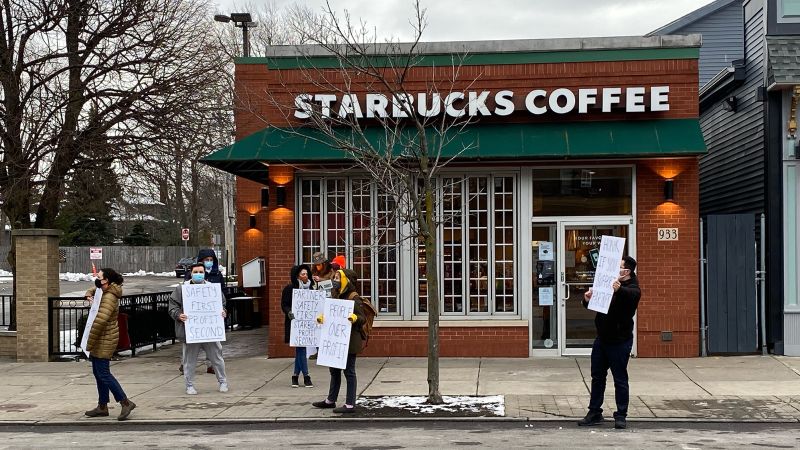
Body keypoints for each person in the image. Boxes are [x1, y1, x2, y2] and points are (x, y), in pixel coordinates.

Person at [578, 256, 641, 430]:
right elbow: (595, 305)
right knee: (597, 377)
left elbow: (631, 297)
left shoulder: (632, 289)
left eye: (619, 267)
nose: (615, 270)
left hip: (620, 341)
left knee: (620, 378)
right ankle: (594, 412)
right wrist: (587, 299)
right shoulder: (609, 284)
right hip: (602, 339)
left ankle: (621, 415)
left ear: (626, 272)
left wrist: (619, 290)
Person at [83, 268, 137, 421]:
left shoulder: (109, 298)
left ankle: (125, 402)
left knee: (104, 373)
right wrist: (89, 293)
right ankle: (102, 406)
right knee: (98, 373)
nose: (97, 279)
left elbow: (100, 321)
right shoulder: (104, 290)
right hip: (102, 338)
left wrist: (89, 341)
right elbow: (94, 288)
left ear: (107, 280)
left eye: (99, 277)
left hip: (104, 338)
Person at [312, 268, 366, 414]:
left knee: (349, 372)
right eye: (334, 277)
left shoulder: (353, 297)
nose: (335, 280)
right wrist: (323, 318)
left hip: (349, 342)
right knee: (334, 371)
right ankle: (331, 399)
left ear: (345, 280)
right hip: (336, 340)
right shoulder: (335, 295)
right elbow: (330, 313)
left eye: (337, 278)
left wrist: (355, 318)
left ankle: (350, 404)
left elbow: (362, 318)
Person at [169, 263, 229, 395]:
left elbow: (222, 304)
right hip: (191, 332)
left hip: (210, 331)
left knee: (217, 358)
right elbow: (173, 306)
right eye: (195, 272)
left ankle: (223, 381)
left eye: (200, 272)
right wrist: (178, 315)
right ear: (191, 273)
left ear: (204, 273)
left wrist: (223, 311)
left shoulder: (212, 288)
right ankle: (189, 385)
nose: (198, 274)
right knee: (189, 360)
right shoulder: (181, 289)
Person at [179, 248, 223, 375]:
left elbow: (222, 294)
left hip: (210, 314)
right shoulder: (192, 275)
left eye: (211, 260)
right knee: (189, 343)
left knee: (213, 342)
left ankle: (212, 365)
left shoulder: (217, 275)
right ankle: (185, 363)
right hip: (194, 313)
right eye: (206, 260)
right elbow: (186, 293)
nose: (209, 262)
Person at [281, 264, 314, 388]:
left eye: (306, 274)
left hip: (307, 323)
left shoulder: (311, 288)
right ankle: (306, 376)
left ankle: (295, 376)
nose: (305, 276)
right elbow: (284, 304)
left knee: (300, 349)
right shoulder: (290, 289)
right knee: (301, 349)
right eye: (302, 274)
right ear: (297, 276)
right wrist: (289, 312)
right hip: (294, 322)